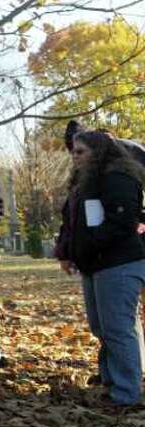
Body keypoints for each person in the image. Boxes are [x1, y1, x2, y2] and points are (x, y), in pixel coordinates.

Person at [56, 130, 145, 406]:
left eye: (81, 151)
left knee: (118, 327)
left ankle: (126, 392)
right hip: (95, 264)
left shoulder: (117, 178)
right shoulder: (83, 183)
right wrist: (69, 252)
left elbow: (122, 221)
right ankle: (111, 381)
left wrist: (88, 245)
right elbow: (72, 224)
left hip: (119, 263)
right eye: (73, 151)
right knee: (101, 327)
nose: (75, 156)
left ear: (99, 152)